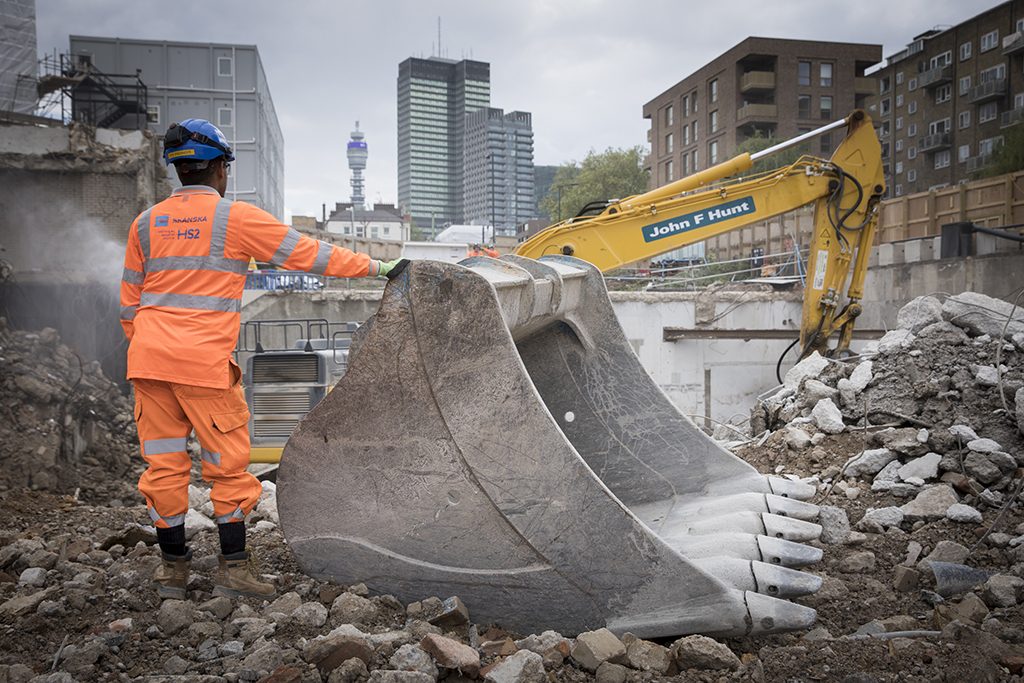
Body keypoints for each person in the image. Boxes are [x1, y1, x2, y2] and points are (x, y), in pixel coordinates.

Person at [119, 119, 408, 600]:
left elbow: (130, 302)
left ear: (179, 170)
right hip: (203, 366)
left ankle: (172, 570)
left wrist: (150, 345)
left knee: (164, 466)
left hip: (148, 362)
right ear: (218, 170)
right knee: (228, 466)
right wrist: (378, 267)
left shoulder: (144, 224)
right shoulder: (234, 218)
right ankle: (234, 568)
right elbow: (309, 254)